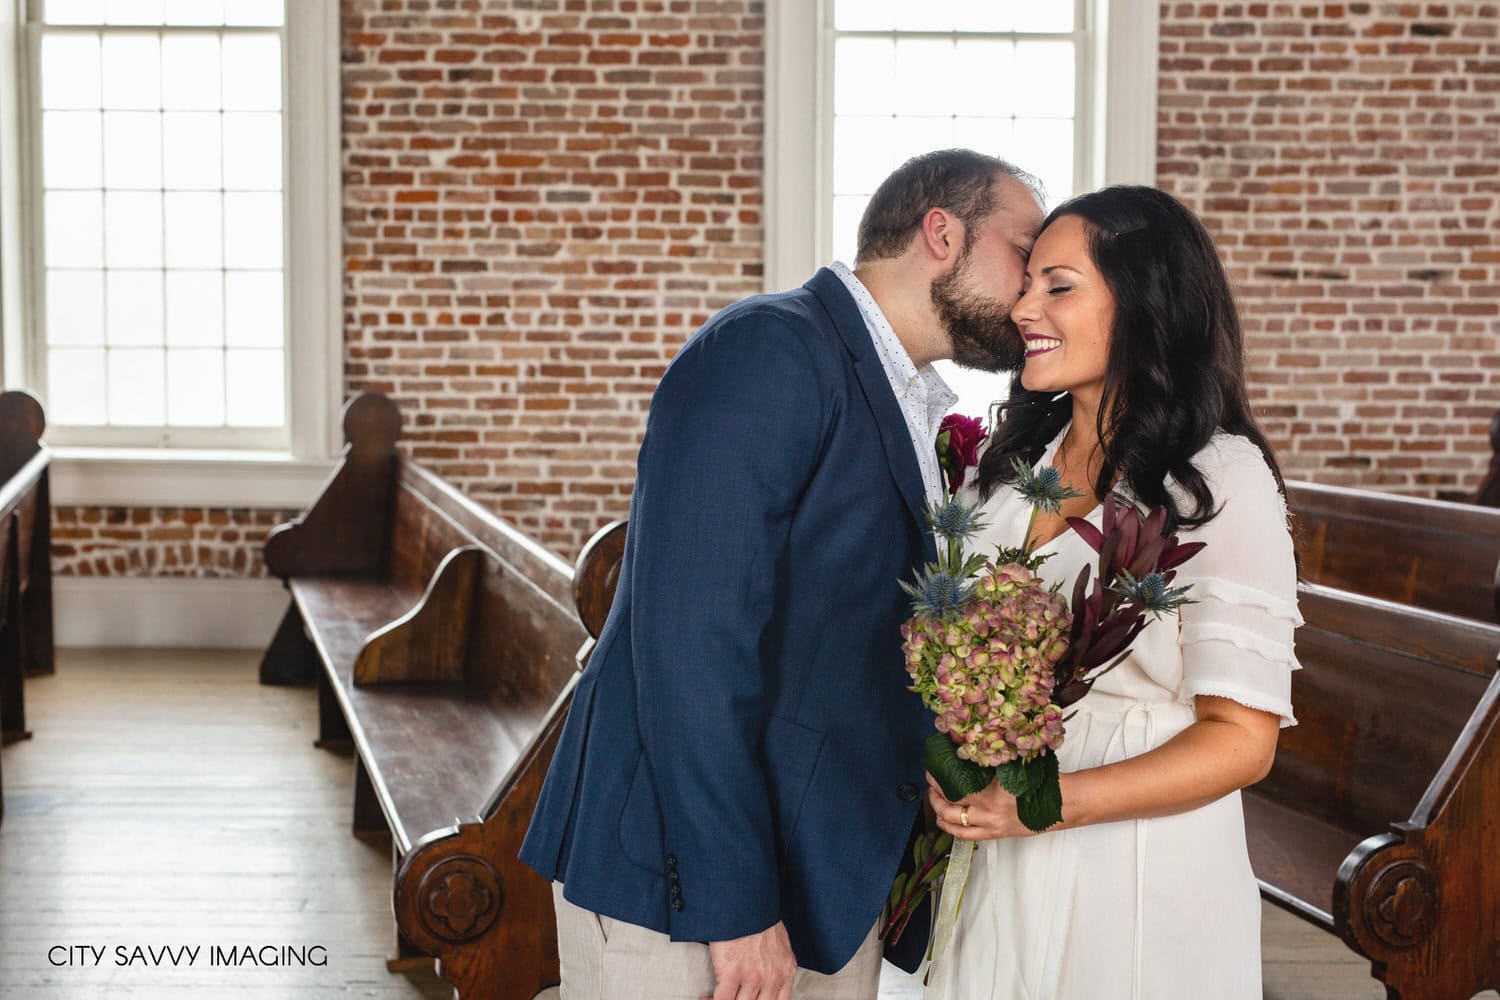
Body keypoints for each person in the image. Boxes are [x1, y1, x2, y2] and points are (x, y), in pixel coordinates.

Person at [518, 149, 1045, 1000]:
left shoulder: (905, 395)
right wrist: (734, 906)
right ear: (942, 234)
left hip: (819, 869)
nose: (1031, 286)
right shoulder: (770, 350)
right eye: (1023, 250)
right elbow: (689, 648)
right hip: (689, 883)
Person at [924, 186, 1299, 999]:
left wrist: (1052, 804)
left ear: (1146, 303)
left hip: (1135, 864)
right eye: (1027, 283)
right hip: (1001, 844)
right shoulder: (1012, 466)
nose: (1025, 306)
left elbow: (1242, 739)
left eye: (1058, 286)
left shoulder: (1217, 479)